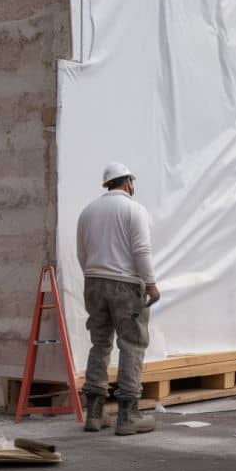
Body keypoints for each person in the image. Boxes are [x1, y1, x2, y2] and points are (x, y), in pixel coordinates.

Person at [77, 162, 159, 435]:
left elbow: (82, 252)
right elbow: (142, 250)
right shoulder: (133, 209)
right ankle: (128, 416)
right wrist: (151, 284)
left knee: (99, 344)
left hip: (93, 281)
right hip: (124, 285)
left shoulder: (88, 211)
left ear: (106, 184)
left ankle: (95, 414)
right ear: (128, 183)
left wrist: (94, 278)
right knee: (132, 344)